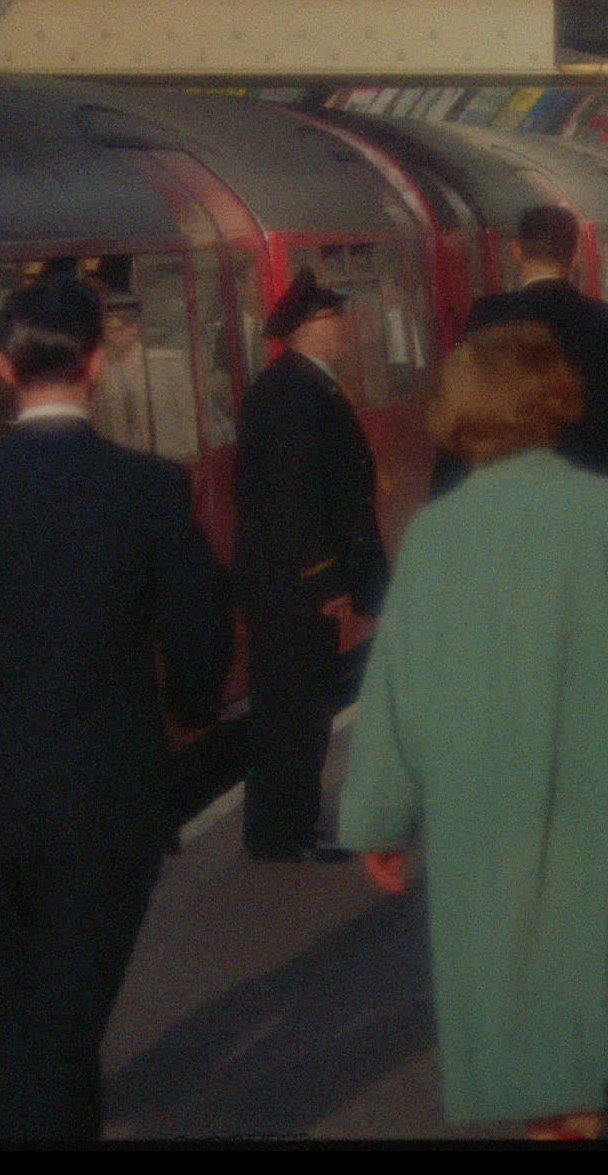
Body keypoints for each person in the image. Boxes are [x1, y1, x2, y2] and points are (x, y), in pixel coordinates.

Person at [336, 322, 608, 1139]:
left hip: (480, 811)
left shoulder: (434, 533)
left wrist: (379, 816)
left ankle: (547, 1126)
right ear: (553, 402)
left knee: (511, 996)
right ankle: (579, 1121)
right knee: (595, 989)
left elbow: (394, 689)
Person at [0, 272, 230, 1140]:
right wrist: (190, 710)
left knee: (29, 1012)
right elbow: (198, 631)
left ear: (3, 367)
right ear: (94, 364)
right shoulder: (148, 488)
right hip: (109, 796)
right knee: (63, 1023)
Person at [233, 268, 389, 862]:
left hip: (290, 583)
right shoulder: (295, 395)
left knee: (300, 706)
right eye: (332, 319)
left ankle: (287, 825)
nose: (343, 328)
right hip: (293, 585)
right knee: (294, 710)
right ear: (304, 330)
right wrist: (325, 578)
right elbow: (292, 497)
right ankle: (283, 833)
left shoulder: (301, 387)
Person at [453, 204, 608, 480]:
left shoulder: (489, 316)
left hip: (512, 477)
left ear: (516, 251)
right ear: (574, 255)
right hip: (594, 478)